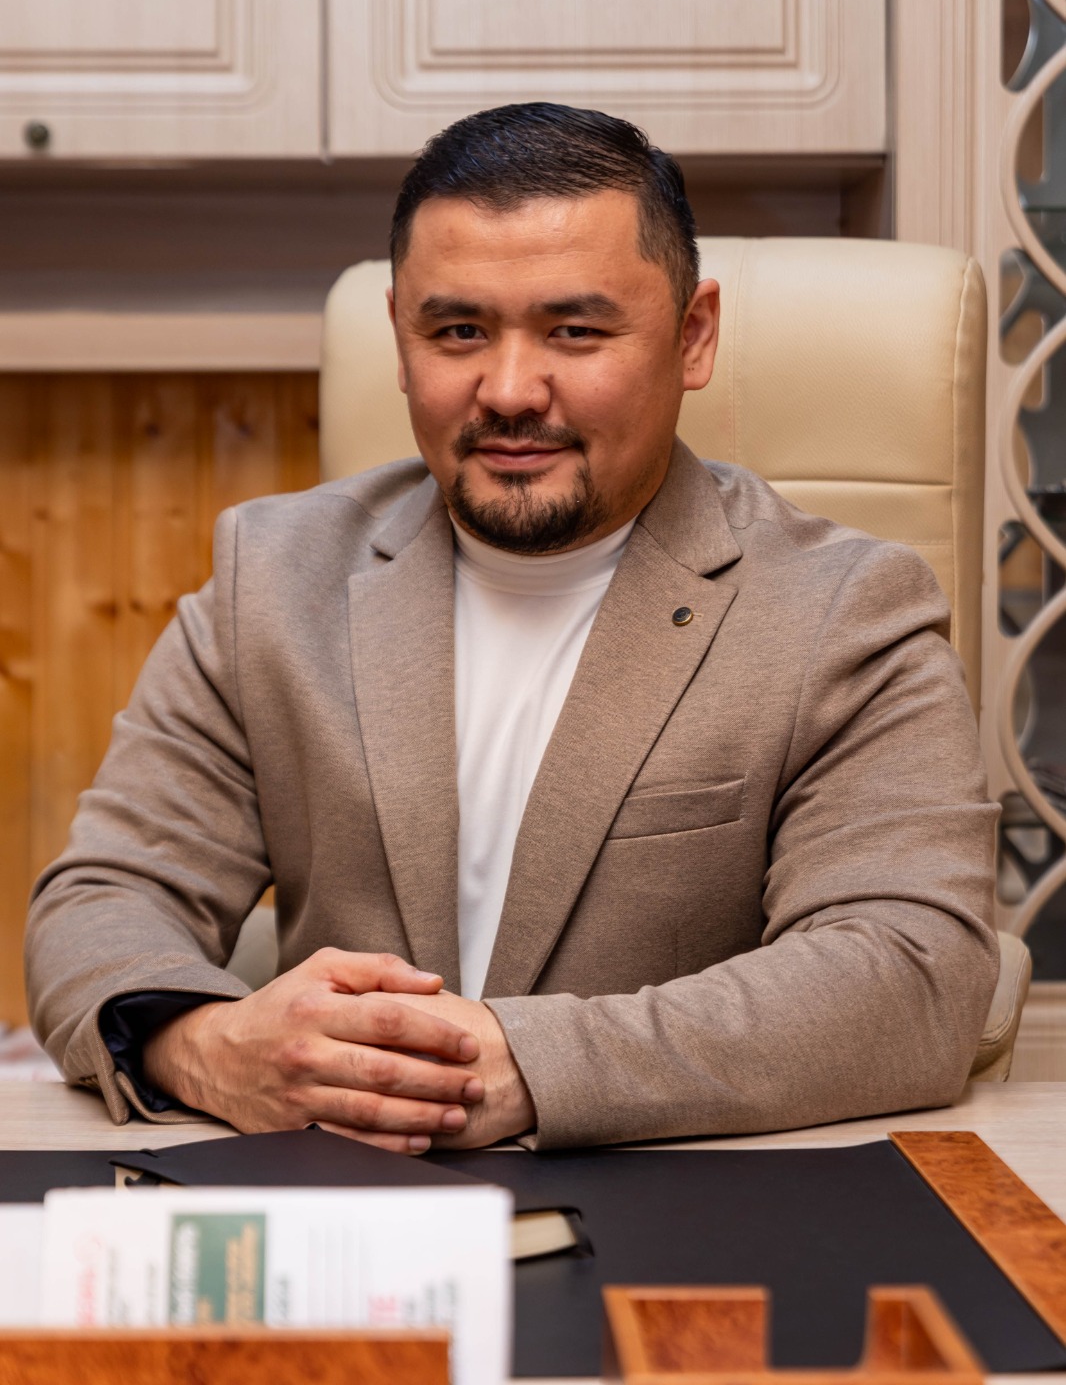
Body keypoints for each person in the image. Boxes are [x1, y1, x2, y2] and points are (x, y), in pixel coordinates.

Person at [25, 103, 998, 1152]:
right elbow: (104, 898)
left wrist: (524, 1065)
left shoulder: (846, 609)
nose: (509, 391)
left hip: (683, 1204)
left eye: (575, 331)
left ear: (692, 336)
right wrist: (207, 1046)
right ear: (401, 340)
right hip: (346, 1203)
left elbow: (913, 973)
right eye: (458, 333)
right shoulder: (271, 578)